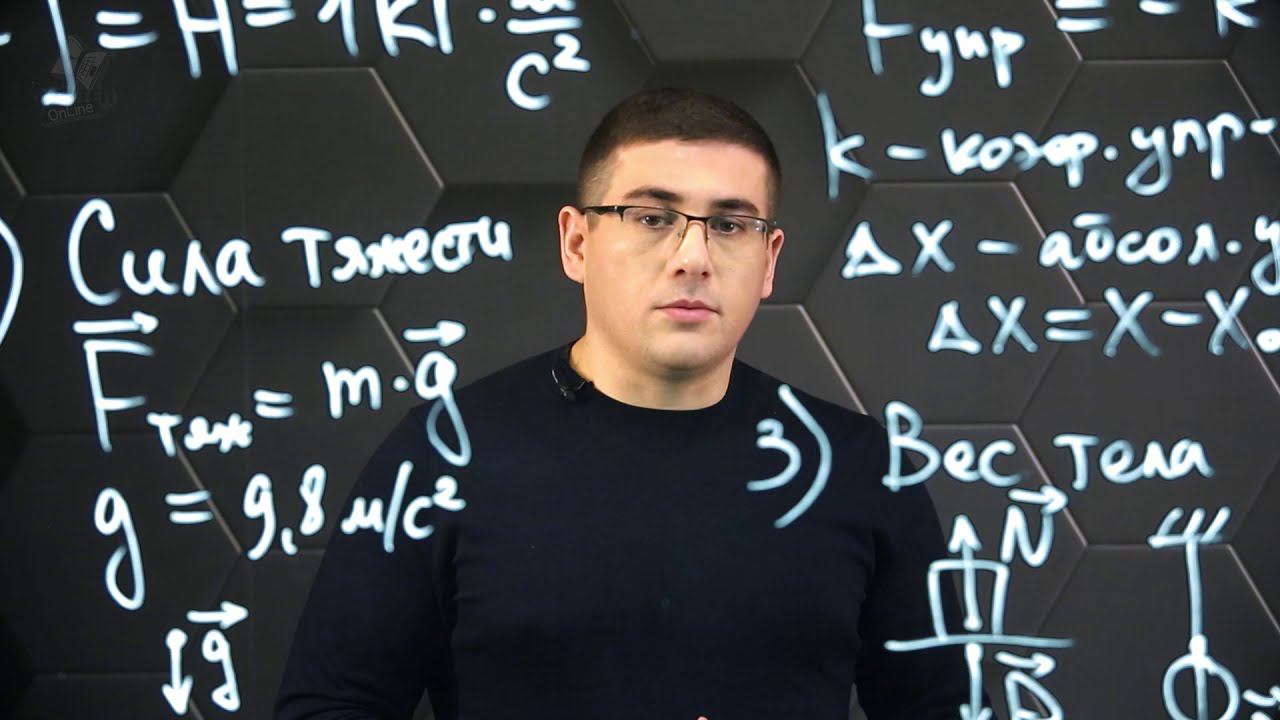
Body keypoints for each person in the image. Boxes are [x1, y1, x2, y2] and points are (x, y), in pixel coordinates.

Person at [274, 87, 988, 719]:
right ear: (577, 243)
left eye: (730, 224)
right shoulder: (443, 453)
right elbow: (331, 707)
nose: (692, 257)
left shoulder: (861, 469)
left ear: (769, 260)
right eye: (651, 217)